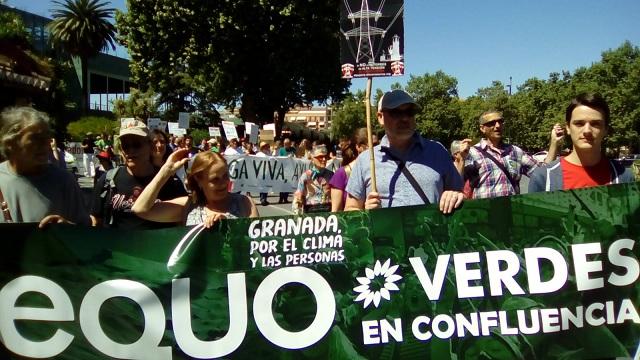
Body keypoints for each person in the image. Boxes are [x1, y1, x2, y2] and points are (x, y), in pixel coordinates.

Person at [345, 89, 464, 213]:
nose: (405, 118)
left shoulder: (437, 152)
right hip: (384, 232)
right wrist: (365, 213)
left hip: (431, 231)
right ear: (380, 117)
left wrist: (455, 196)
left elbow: (460, 194)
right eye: (396, 113)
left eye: (409, 112)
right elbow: (350, 209)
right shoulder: (365, 160)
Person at [0, 107, 89, 226]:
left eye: (47, 136)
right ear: (11, 143)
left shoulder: (64, 181)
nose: (44, 143)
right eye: (35, 138)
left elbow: (85, 233)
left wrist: (67, 229)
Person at [91, 120, 187, 229]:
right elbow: (95, 220)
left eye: (137, 145)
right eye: (125, 146)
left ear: (150, 146)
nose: (130, 150)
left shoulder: (168, 181)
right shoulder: (108, 180)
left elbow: (186, 215)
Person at [529, 93, 634, 192]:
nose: (587, 130)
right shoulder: (544, 178)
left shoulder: (624, 177)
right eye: (579, 123)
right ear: (568, 128)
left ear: (606, 129)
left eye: (595, 124)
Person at [132, 149, 258, 227]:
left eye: (225, 176)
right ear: (199, 180)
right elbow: (140, 209)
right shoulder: (188, 205)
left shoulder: (245, 203)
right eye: (215, 179)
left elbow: (256, 244)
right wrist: (165, 172)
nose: (223, 183)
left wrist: (228, 227)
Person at [457, 110, 562, 199]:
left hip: (513, 215)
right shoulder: (472, 153)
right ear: (482, 128)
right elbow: (456, 184)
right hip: (485, 217)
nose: (497, 126)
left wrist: (554, 143)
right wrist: (461, 159)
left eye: (500, 121)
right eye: (492, 123)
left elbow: (543, 171)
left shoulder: (515, 151)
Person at [330, 128, 368, 212]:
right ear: (358, 147)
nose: (376, 149)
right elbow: (336, 212)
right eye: (372, 145)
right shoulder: (341, 174)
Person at [293, 145, 334, 214]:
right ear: (312, 159)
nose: (324, 159)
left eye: (325, 157)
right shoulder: (305, 176)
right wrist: (298, 217)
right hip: (311, 215)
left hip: (328, 214)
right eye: (320, 157)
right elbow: (298, 198)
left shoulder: (331, 175)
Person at [277, 138, 296, 203]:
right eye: (284, 144)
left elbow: (297, 157)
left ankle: (285, 198)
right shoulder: (281, 150)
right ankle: (281, 198)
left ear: (290, 144)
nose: (285, 145)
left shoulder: (293, 150)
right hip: (283, 169)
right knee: (283, 184)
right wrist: (286, 157)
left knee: (288, 184)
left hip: (290, 169)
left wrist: (292, 157)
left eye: (287, 144)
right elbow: (279, 158)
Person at [255, 141, 272, 206]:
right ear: (262, 148)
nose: (266, 147)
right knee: (262, 186)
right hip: (260, 172)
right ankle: (262, 199)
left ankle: (264, 198)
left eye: (266, 146)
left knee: (266, 186)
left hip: (267, 172)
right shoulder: (258, 154)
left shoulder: (269, 153)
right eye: (264, 146)